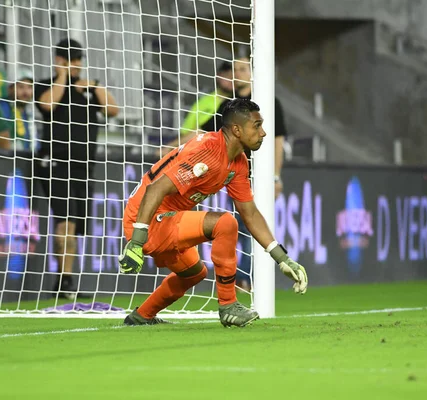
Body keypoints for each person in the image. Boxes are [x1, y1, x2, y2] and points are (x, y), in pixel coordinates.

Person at [118, 98, 308, 327]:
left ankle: (141, 316)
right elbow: (155, 188)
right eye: (257, 126)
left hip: (168, 218)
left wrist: (282, 258)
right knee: (225, 223)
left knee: (194, 273)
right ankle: (228, 305)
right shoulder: (207, 150)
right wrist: (137, 241)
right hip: (146, 219)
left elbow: (250, 213)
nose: (264, 133)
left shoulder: (238, 163)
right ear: (237, 130)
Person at [34, 38, 119, 299]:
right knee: (66, 223)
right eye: (70, 59)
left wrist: (94, 86)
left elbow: (113, 110)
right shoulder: (47, 85)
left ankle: (63, 281)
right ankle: (65, 281)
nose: (76, 64)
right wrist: (62, 77)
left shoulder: (88, 89)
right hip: (57, 163)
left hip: (84, 166)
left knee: (74, 225)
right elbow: (48, 105)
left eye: (78, 59)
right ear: (59, 60)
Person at [232, 57, 288, 290]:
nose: (238, 73)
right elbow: (207, 131)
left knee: (249, 229)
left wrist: (275, 176)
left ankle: (245, 280)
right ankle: (245, 280)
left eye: (243, 69)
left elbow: (277, 140)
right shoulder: (231, 105)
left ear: (254, 73)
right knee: (239, 230)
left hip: (260, 177)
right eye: (235, 69)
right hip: (235, 177)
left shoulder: (268, 102)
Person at [163, 61, 234, 152]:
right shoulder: (203, 102)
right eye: (227, 75)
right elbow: (187, 130)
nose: (232, 79)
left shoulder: (240, 102)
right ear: (219, 76)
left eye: (234, 76)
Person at [0, 68, 38, 153]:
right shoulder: (1, 107)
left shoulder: (28, 113)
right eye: (21, 87)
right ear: (10, 89)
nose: (26, 92)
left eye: (30, 87)